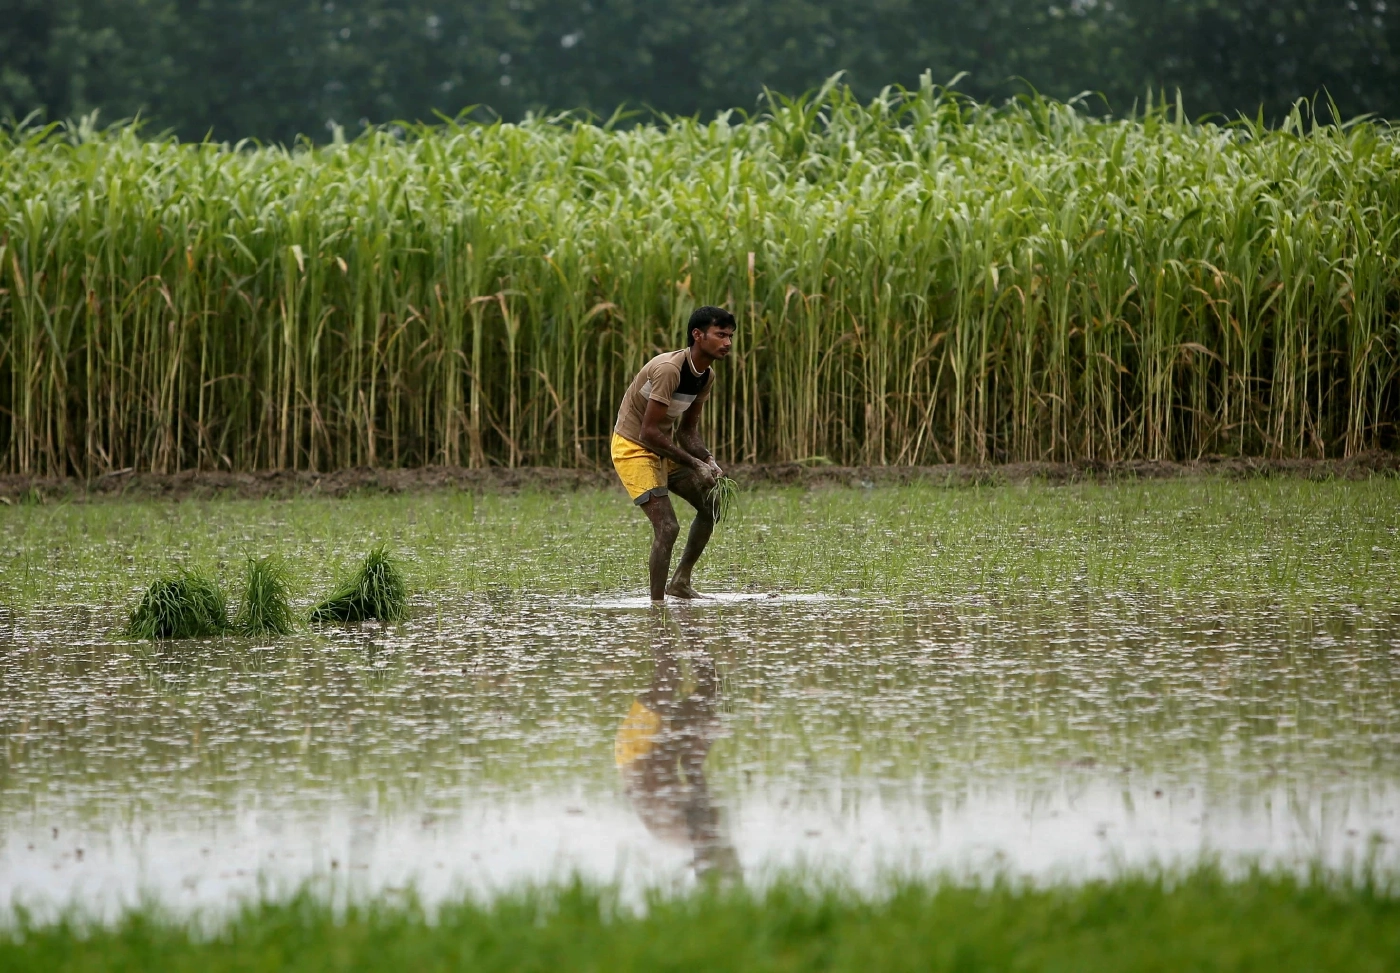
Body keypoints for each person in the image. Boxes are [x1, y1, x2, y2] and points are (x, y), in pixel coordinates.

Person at [610, 306, 734, 602]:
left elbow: (687, 432)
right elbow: (647, 432)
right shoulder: (669, 370)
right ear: (697, 335)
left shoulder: (705, 376)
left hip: (662, 445)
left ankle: (680, 582)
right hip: (633, 447)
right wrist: (694, 464)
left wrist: (708, 460)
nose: (727, 343)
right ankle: (657, 607)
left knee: (711, 506)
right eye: (720, 335)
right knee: (667, 527)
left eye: (730, 336)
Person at [613, 613, 740, 879]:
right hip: (650, 752)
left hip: (638, 753)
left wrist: (698, 735)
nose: (730, 847)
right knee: (708, 684)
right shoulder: (701, 832)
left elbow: (679, 765)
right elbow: (692, 768)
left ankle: (662, 609)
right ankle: (681, 614)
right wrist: (702, 735)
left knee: (670, 677)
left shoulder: (684, 831)